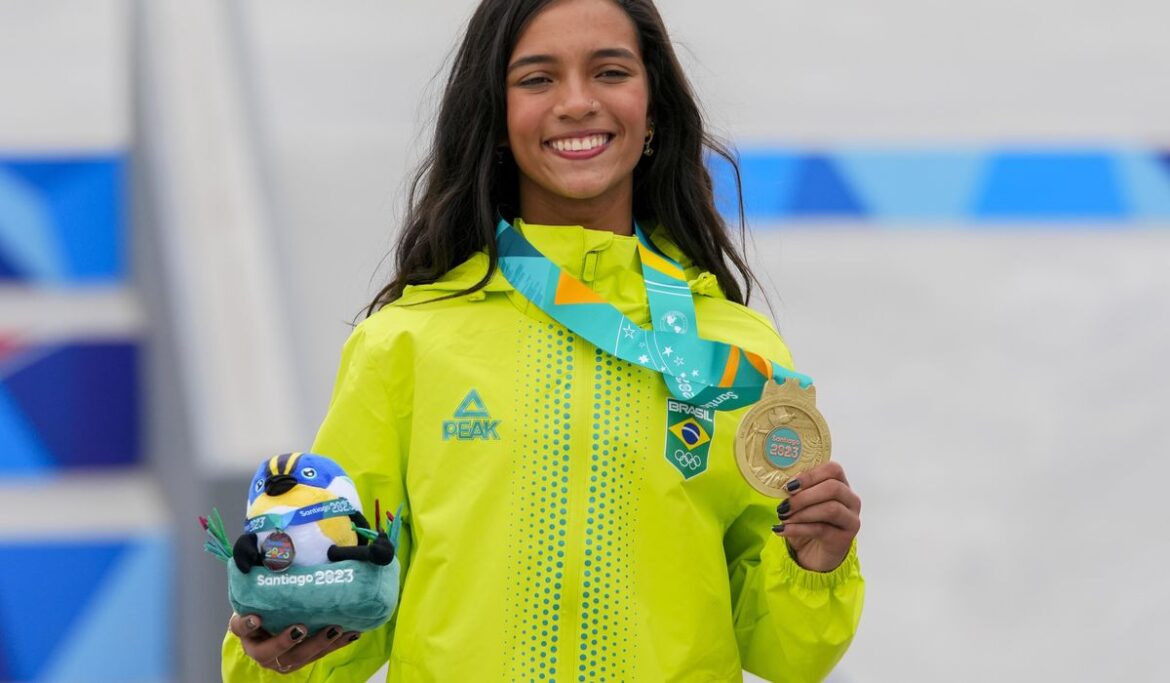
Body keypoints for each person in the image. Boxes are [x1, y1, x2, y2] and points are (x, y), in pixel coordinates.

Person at [222, 0, 864, 680]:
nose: (578, 102)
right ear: (496, 120)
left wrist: (813, 561)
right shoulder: (407, 343)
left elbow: (788, 655)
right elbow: (336, 607)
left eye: (610, 71)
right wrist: (278, 643)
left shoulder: (735, 352)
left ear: (652, 109)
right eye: (537, 79)